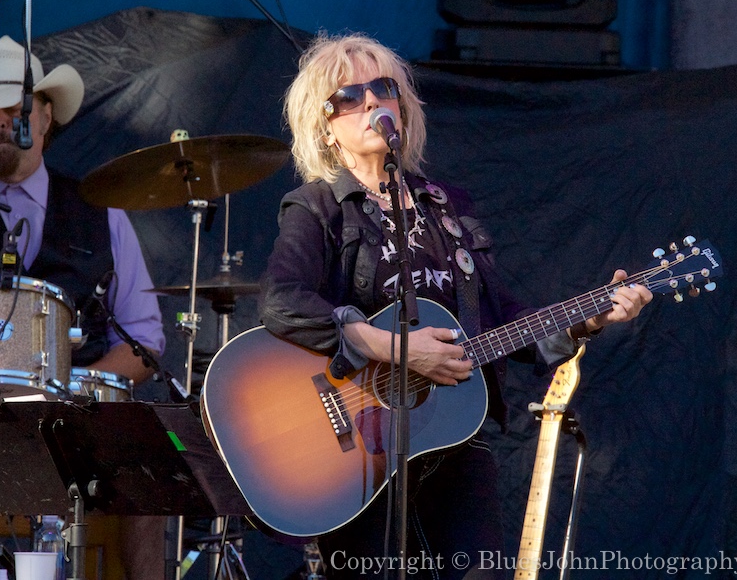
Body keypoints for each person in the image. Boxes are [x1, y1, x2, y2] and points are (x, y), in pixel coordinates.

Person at [260, 33, 653, 579]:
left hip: (451, 442)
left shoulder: (445, 210)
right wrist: (394, 348)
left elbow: (502, 321)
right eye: (348, 97)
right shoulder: (319, 207)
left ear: (404, 105)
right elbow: (282, 302)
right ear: (325, 128)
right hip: (356, 450)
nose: (371, 102)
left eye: (383, 88)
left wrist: (589, 317)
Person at [0, 35, 166, 579]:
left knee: (153, 462)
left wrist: (70, 394)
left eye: (12, 106)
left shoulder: (102, 210)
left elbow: (145, 342)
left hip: (71, 425)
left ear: (44, 116)